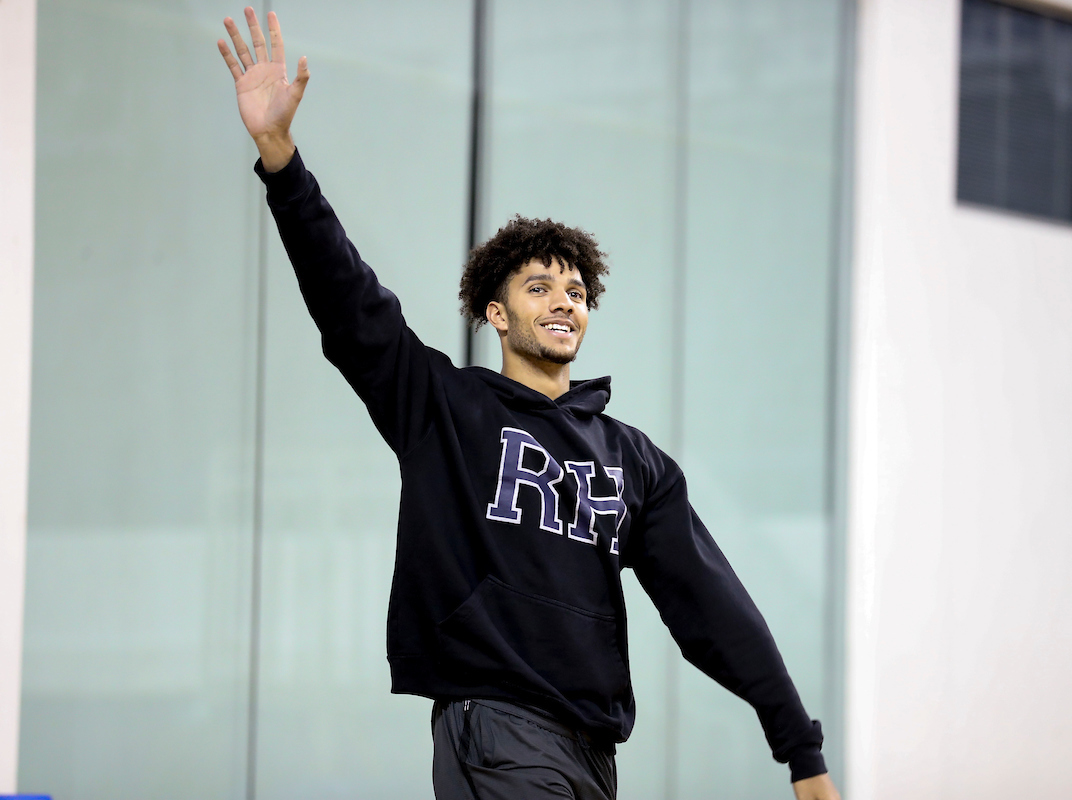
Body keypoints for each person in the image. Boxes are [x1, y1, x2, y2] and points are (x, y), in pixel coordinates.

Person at [218, 8, 842, 800]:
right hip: (498, 727)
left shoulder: (634, 462)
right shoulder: (444, 407)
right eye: (538, 286)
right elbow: (352, 305)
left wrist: (802, 752)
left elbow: (713, 607)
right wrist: (281, 159)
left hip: (593, 750)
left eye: (576, 291)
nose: (563, 301)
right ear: (497, 313)